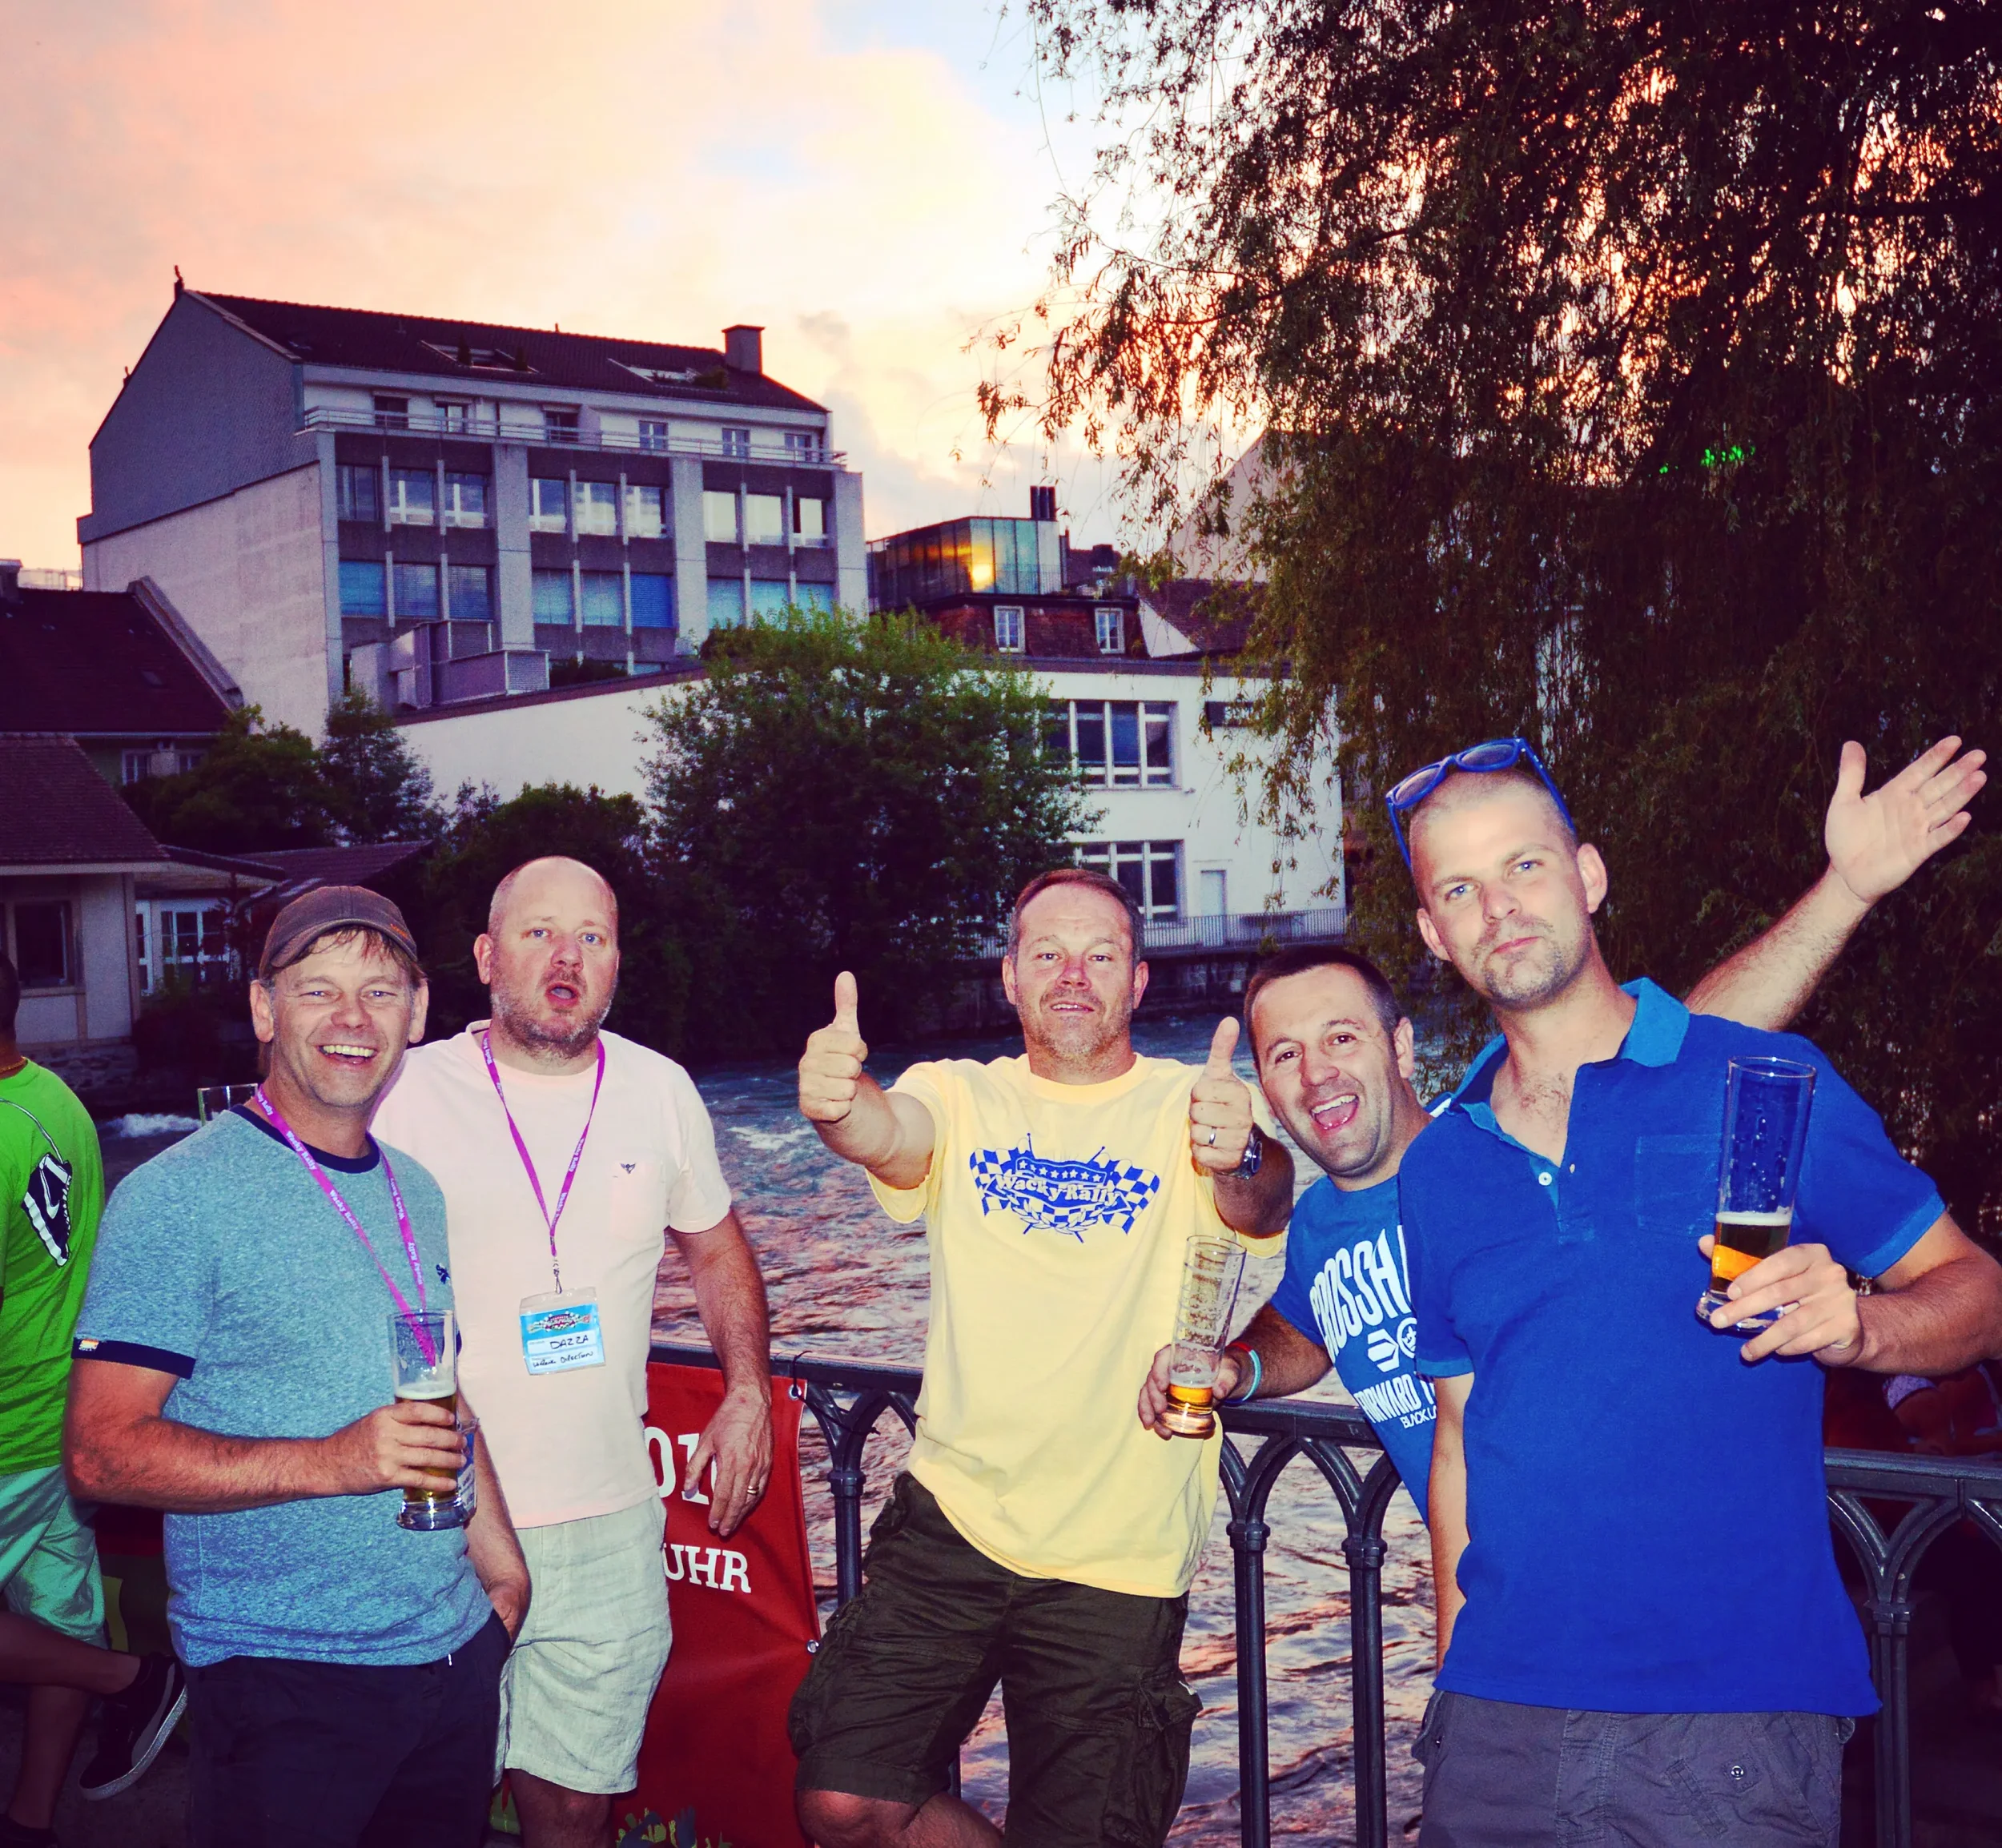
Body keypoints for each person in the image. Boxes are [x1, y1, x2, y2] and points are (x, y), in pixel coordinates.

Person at [1392, 740, 2002, 1847]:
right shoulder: (1439, 1166)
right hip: (1496, 1732)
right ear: (1434, 933)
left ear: (1588, 876)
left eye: (1525, 867)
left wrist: (1864, 1326)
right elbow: (1455, 1439)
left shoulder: (1759, 1083)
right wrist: (1452, 1681)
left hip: (1732, 1719)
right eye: (1460, 890)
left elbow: (1977, 1293)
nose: (1499, 909)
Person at [1137, 737, 1992, 1517]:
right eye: (1281, 1054)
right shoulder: (1353, 1211)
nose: (1315, 1071)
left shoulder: (1484, 1146)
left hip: (1724, 1614)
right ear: (1434, 932)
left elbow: (1678, 1053)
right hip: (1505, 1644)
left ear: (1400, 1043)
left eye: (1341, 1037)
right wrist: (1237, 1367)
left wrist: (1842, 892)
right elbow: (1312, 1320)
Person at [789, 866, 1294, 1848]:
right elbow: (885, 1134)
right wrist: (834, 1104)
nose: (1074, 973)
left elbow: (1262, 1200)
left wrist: (1241, 1152)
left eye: (1101, 954)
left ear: (1138, 982)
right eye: (1048, 953)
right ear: (1010, 977)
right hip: (951, 1525)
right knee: (844, 1801)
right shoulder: (959, 1093)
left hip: (1119, 1559)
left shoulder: (1196, 1104)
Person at [64, 889, 530, 1848]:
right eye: (318, 989)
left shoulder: (418, 1190)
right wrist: (335, 1459)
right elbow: (101, 1456)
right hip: (285, 1681)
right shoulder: (175, 1199)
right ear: (266, 1010)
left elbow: (441, 1390)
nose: (352, 1019)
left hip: (448, 1660)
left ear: (416, 1012)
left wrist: (503, 1571)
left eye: (379, 990)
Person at [370, 855, 772, 1848]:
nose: (566, 957)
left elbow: (715, 1242)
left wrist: (749, 1390)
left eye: (591, 937)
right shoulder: (400, 1090)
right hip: (435, 1515)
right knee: (424, 1802)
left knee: (577, 1807)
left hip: (609, 1524)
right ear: (484, 956)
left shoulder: (659, 1087)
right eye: (539, 932)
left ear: (616, 961)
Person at [0, 954, 181, 1847]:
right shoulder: (57, 1098)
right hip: (60, 1421)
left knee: (60, 1636)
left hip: (7, 1433)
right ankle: (32, 1818)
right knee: (54, 1617)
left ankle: (131, 1681)